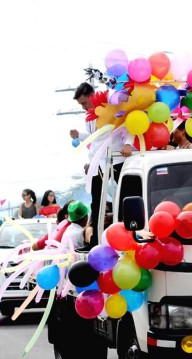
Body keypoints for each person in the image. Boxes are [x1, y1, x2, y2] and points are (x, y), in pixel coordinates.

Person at [69, 82, 133, 246]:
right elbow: (95, 137)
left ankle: (127, 235)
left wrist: (128, 143)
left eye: (84, 102)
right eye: (81, 104)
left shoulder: (110, 107)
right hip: (97, 162)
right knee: (97, 202)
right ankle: (97, 240)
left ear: (92, 96)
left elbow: (129, 122)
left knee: (125, 198)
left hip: (116, 158)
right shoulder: (89, 116)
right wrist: (79, 135)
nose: (83, 107)